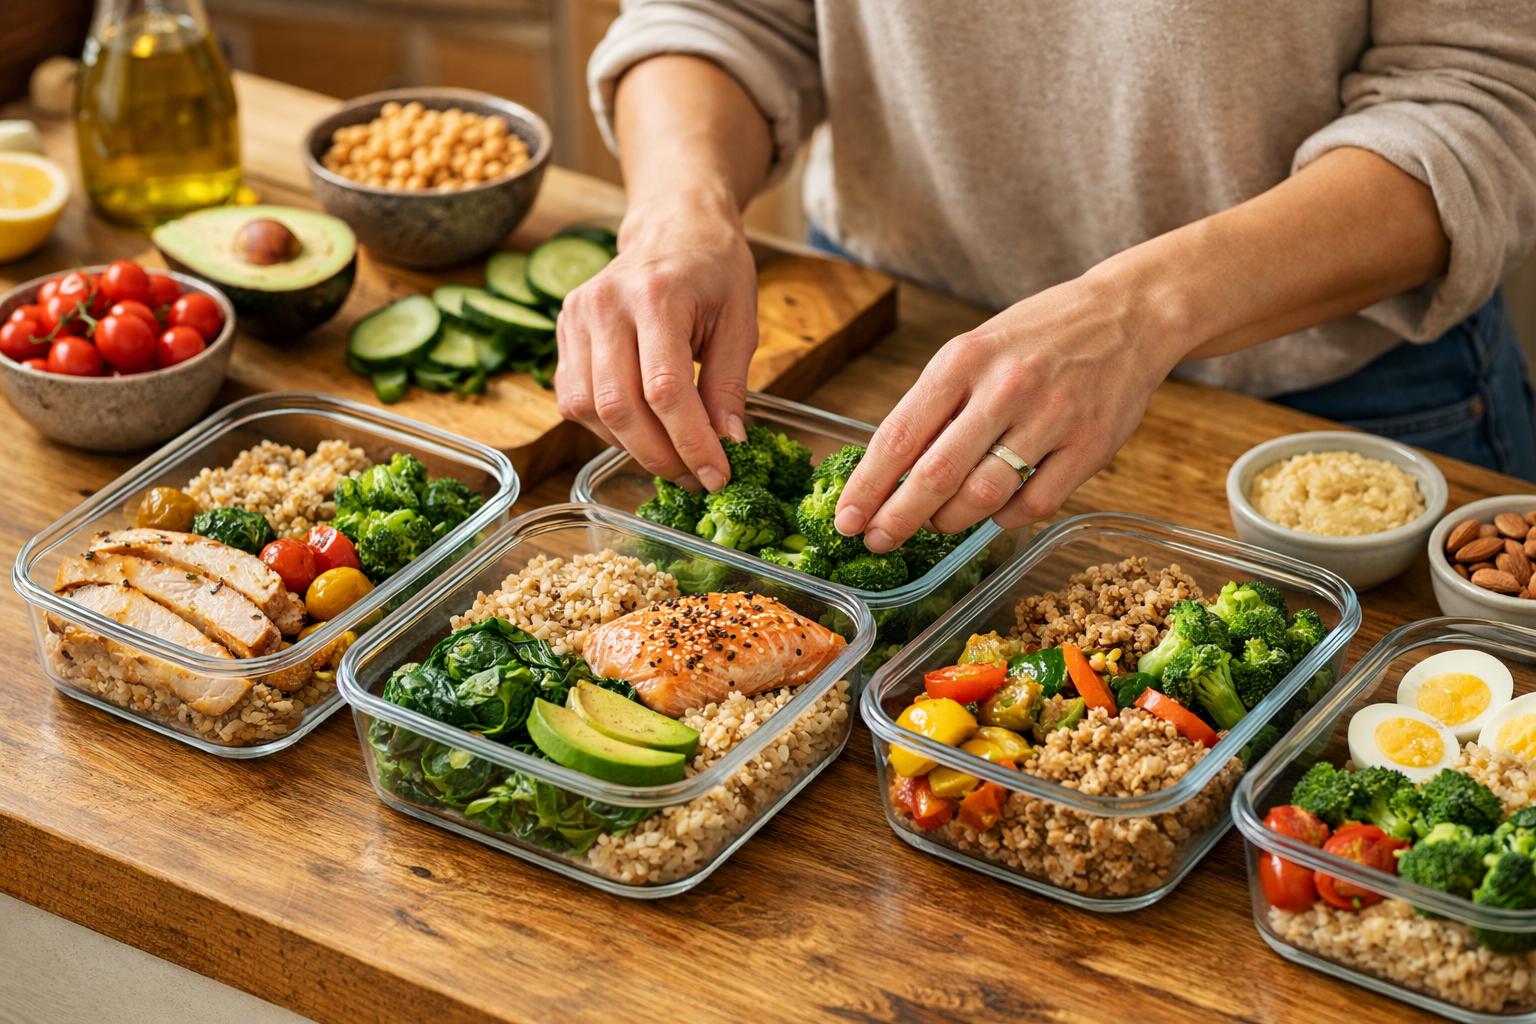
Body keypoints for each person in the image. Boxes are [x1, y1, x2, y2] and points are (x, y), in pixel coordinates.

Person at [555, 1, 1536, 555]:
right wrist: (676, 210)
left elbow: (1479, 103)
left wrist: (1142, 311)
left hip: (1329, 410)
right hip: (893, 358)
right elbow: (720, 14)